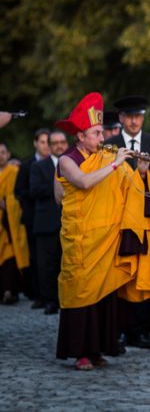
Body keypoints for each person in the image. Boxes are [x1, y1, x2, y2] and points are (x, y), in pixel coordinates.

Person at [54, 92, 150, 370]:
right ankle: (81, 352)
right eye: (96, 133)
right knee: (82, 293)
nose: (102, 138)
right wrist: (117, 163)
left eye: (101, 133)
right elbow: (83, 183)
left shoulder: (105, 156)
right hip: (82, 240)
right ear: (80, 136)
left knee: (105, 295)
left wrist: (141, 172)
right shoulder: (67, 160)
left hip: (107, 238)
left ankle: (98, 349)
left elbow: (127, 190)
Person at [105, 95, 150, 350]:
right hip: (119, 219)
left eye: (138, 116)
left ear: (143, 117)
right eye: (129, 116)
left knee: (146, 274)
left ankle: (142, 332)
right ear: (120, 119)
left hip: (147, 217)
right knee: (122, 273)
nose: (134, 120)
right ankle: (120, 330)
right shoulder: (109, 145)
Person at [29, 130, 68, 314]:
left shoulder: (74, 164)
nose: (59, 145)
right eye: (55, 142)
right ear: (49, 146)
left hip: (69, 222)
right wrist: (61, 185)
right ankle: (50, 301)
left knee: (66, 263)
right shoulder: (39, 166)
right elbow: (34, 190)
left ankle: (65, 299)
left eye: (62, 142)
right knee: (47, 265)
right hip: (46, 223)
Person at [14, 128, 50, 307]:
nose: (45, 146)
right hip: (32, 217)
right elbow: (18, 191)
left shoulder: (58, 163)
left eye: (47, 142)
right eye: (42, 142)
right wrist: (37, 193)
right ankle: (38, 294)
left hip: (51, 217)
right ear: (36, 143)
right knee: (36, 257)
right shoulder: (27, 166)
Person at [0, 142, 29, 304]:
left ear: (8, 154)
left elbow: (16, 194)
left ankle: (9, 291)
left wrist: (6, 202)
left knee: (10, 257)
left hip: (10, 221)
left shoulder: (14, 172)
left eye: (3, 152)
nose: (0, 155)